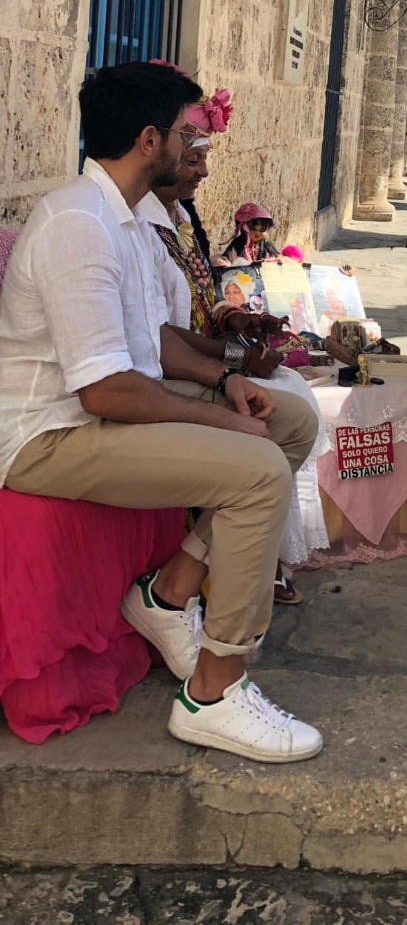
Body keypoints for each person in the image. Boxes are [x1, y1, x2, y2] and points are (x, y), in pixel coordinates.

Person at [0, 62, 323, 763]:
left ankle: (169, 593)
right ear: (150, 140)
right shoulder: (79, 225)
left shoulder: (128, 218)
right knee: (259, 469)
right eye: (183, 133)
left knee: (291, 423)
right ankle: (214, 693)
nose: (191, 147)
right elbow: (105, 390)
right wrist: (225, 424)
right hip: (50, 435)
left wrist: (226, 380)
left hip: (103, 410)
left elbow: (153, 341)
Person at [139, 102, 329, 600]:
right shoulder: (135, 227)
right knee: (277, 416)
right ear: (152, 148)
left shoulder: (179, 218)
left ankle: (245, 553)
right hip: (169, 373)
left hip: (202, 357)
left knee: (294, 397)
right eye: (192, 157)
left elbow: (200, 295)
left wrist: (237, 319)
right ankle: (226, 563)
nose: (203, 171)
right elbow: (159, 336)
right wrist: (235, 363)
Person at [216, 205, 280, 265]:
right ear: (244, 228)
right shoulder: (238, 246)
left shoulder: (267, 247)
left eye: (262, 229)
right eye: (253, 229)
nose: (257, 233)